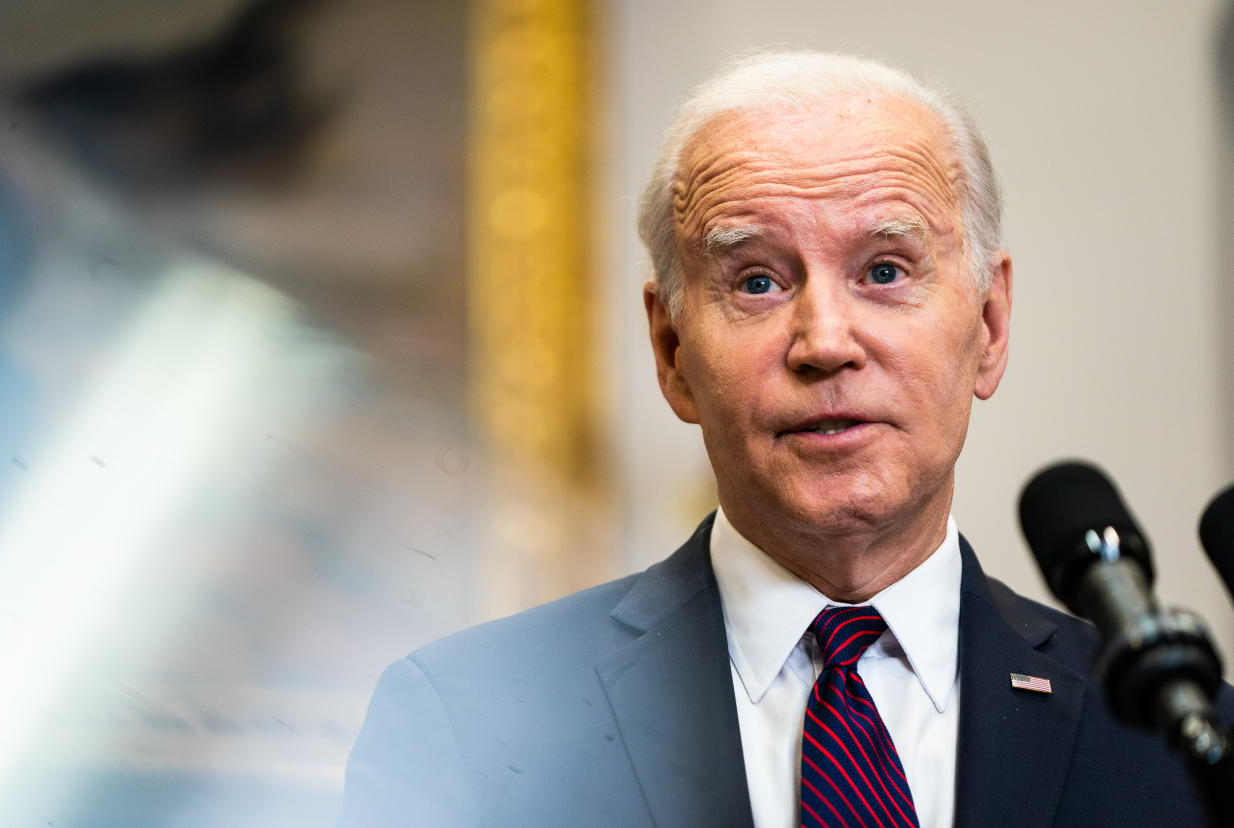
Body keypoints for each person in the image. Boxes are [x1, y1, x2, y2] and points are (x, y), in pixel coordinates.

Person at [339, 51, 1230, 827]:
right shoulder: (468, 722)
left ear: (990, 326)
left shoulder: (1181, 744)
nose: (826, 342)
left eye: (885, 271)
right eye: (758, 281)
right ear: (672, 350)